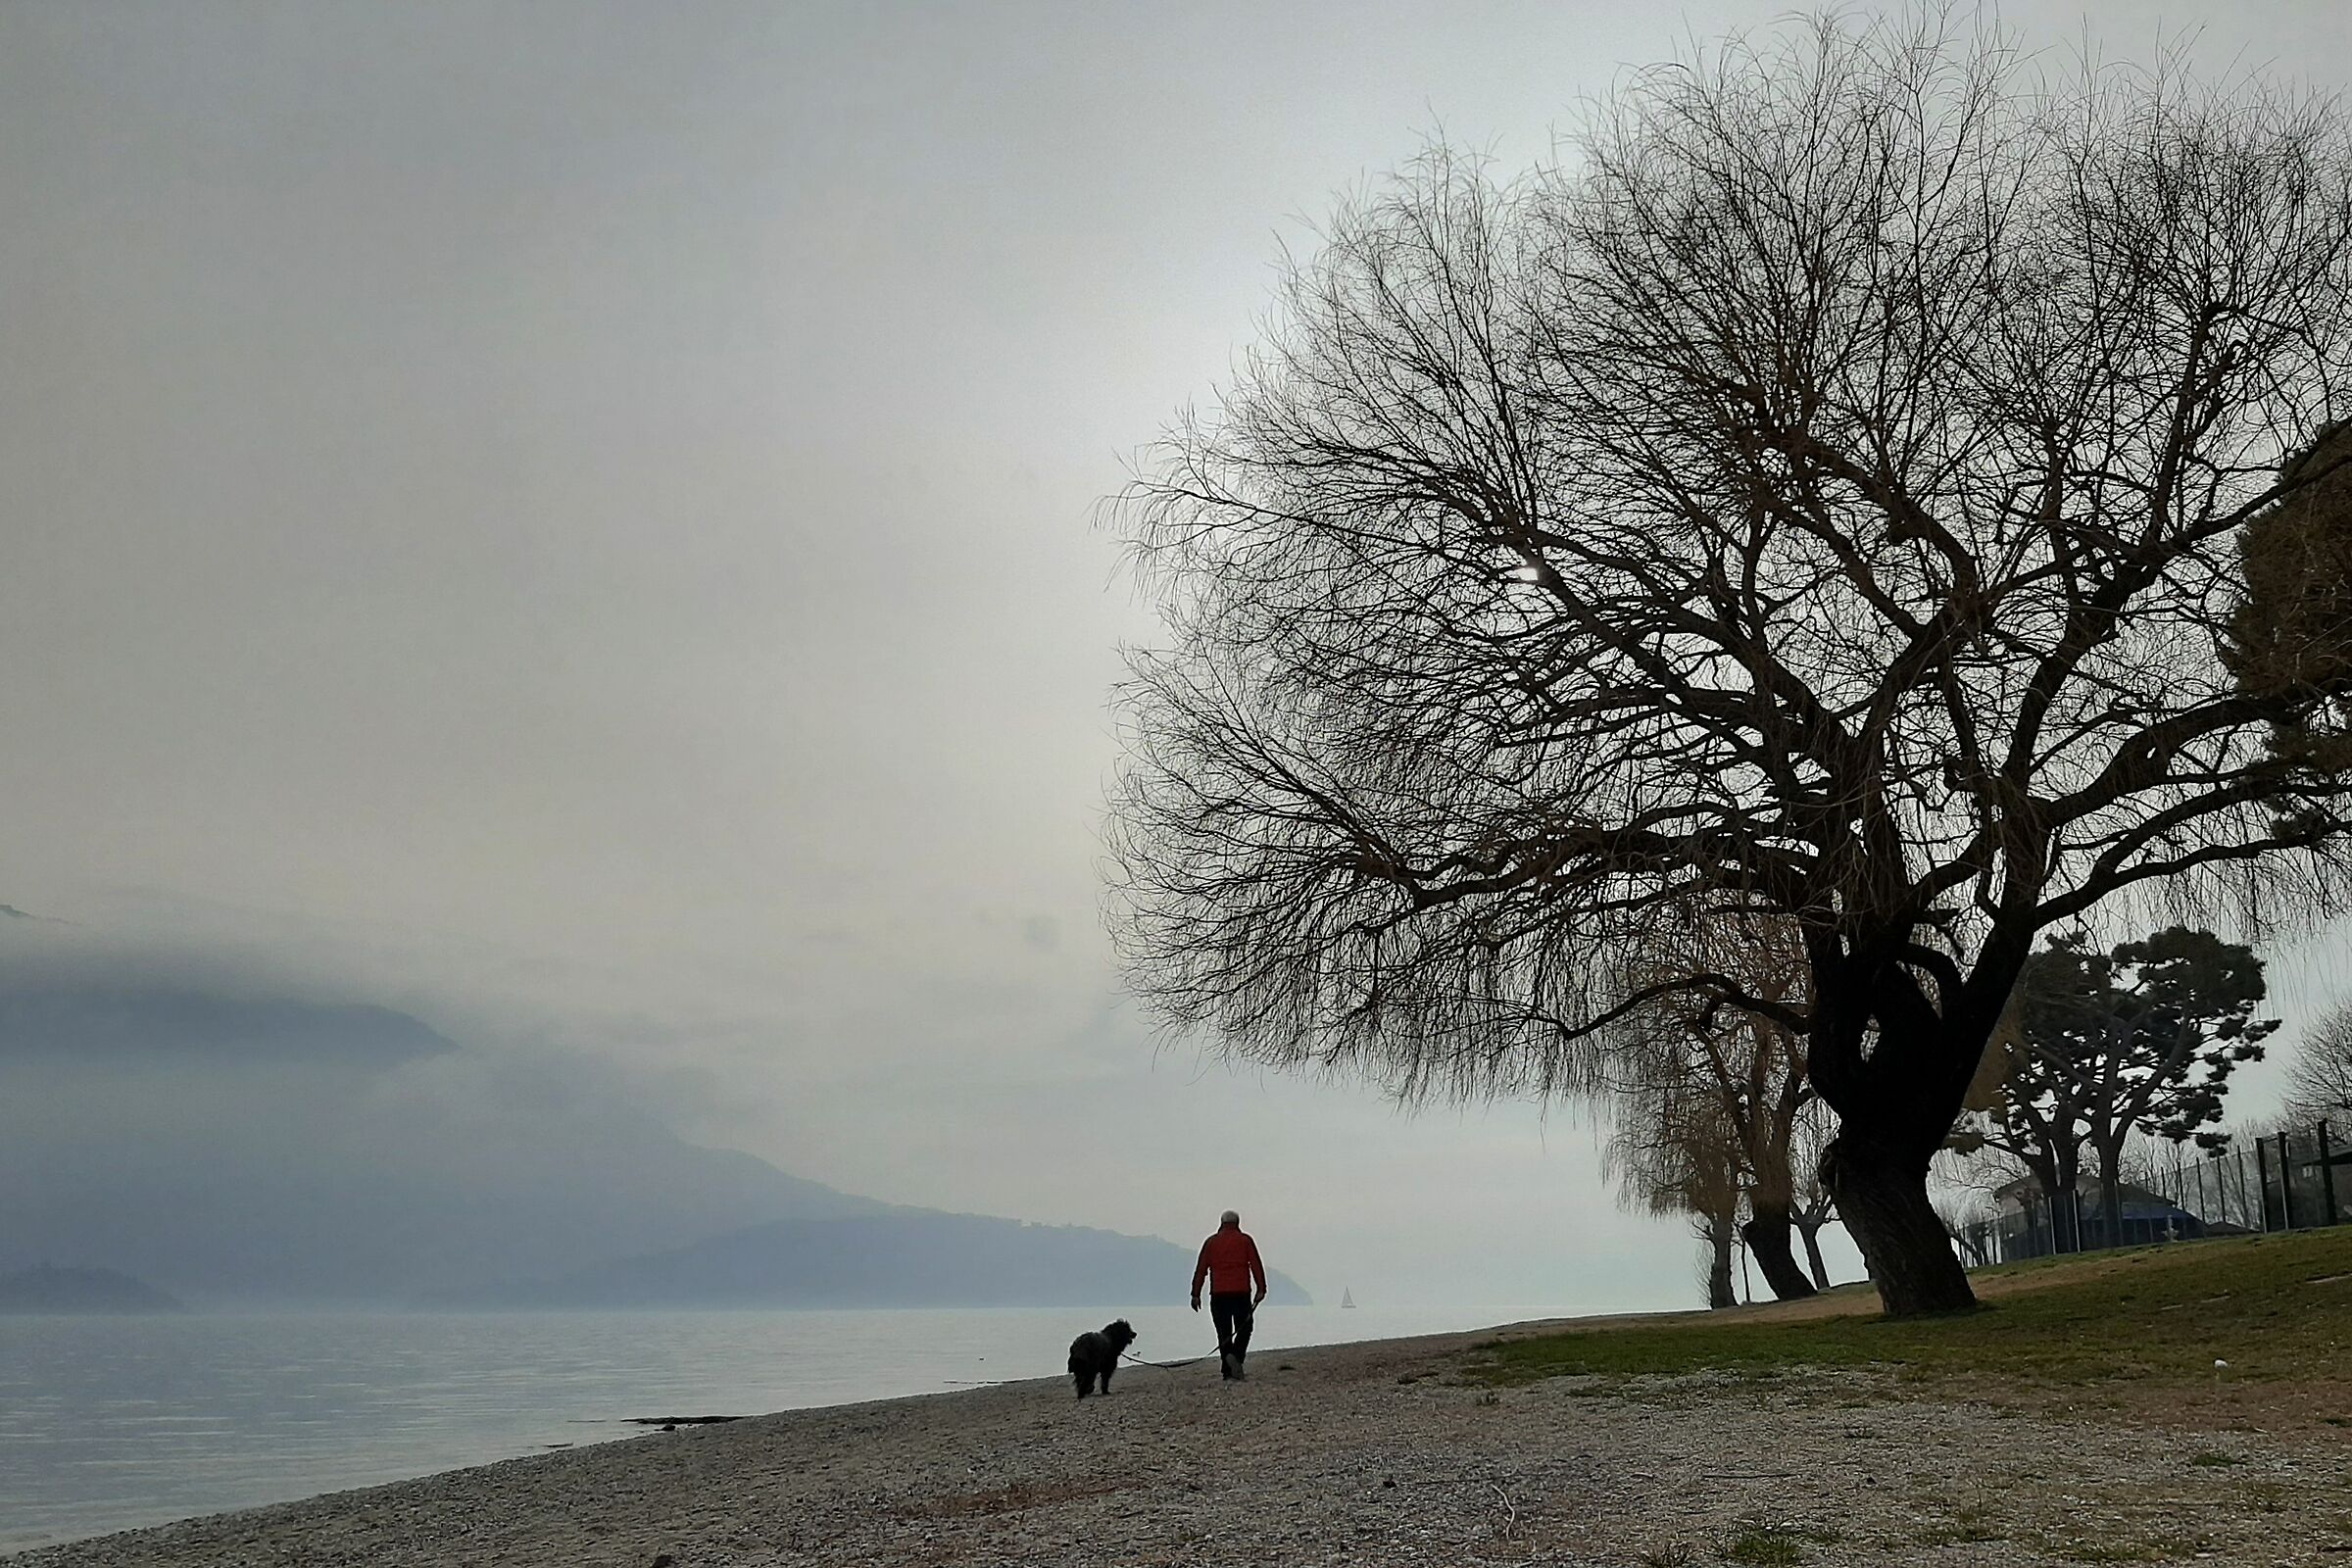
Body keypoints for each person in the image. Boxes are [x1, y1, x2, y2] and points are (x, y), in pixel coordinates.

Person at [1190, 1208, 1267, 1380]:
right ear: (1237, 1224)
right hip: (1241, 1293)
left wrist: (1195, 1294)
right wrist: (1261, 1288)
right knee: (1245, 1328)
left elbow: (1201, 1269)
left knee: (1224, 1333)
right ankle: (1237, 1357)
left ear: (1221, 1223)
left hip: (1218, 1294)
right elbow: (1256, 1264)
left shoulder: (1211, 1242)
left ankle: (1227, 1371)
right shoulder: (1245, 1240)